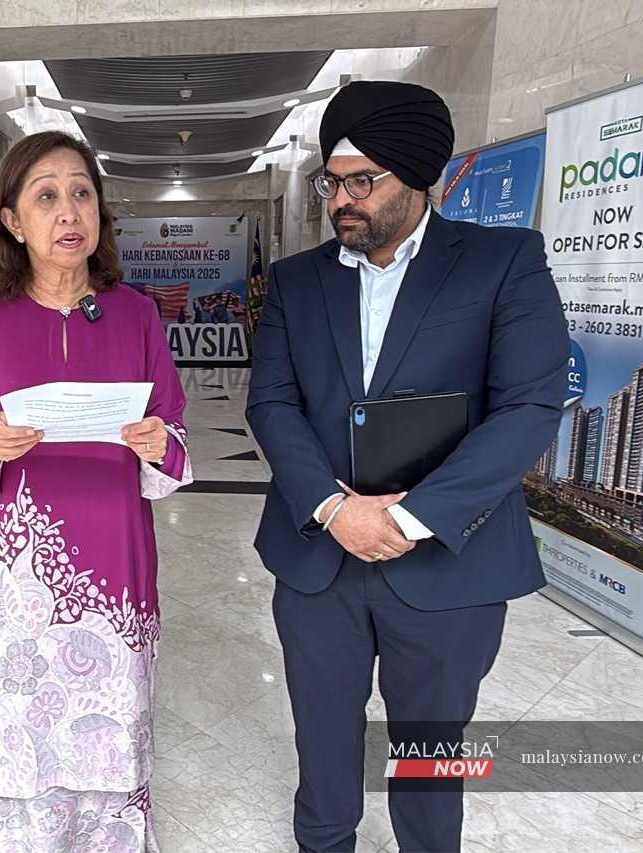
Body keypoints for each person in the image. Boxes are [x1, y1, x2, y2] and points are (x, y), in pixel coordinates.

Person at [246, 80, 568, 853]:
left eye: (363, 181)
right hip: (319, 557)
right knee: (322, 739)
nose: (341, 201)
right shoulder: (298, 280)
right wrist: (335, 508)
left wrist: (407, 516)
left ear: (417, 177)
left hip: (451, 563)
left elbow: (528, 403)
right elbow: (272, 403)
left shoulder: (503, 262)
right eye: (333, 181)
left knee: (429, 753)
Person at [0, 130, 193, 852]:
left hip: (114, 553)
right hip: (21, 574)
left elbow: (176, 435)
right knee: (25, 724)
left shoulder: (137, 314)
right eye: (45, 195)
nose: (68, 210)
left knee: (110, 721)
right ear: (13, 220)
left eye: (81, 191)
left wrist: (156, 442)